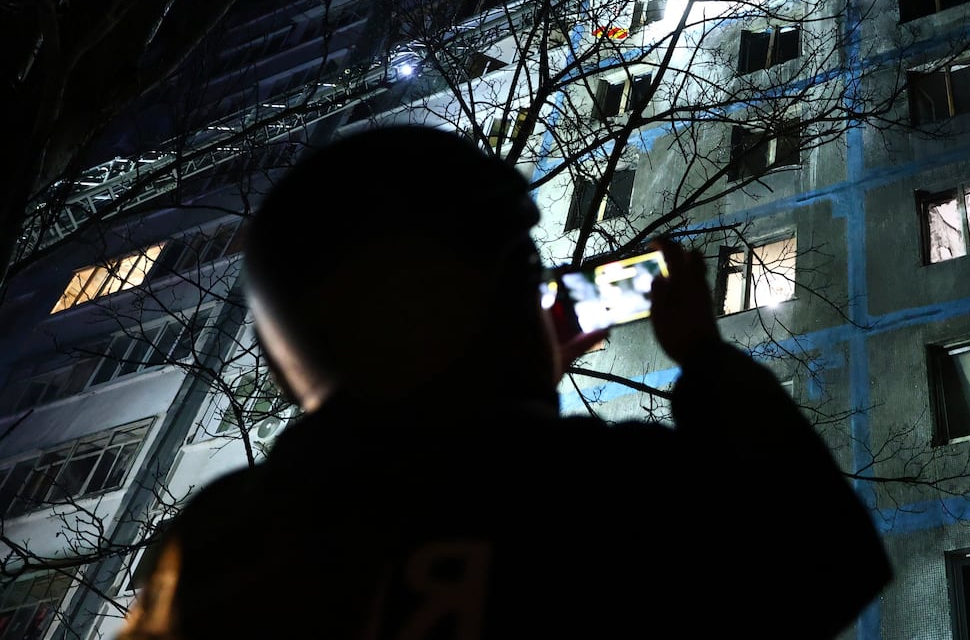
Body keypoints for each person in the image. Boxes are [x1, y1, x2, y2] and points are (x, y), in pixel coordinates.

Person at [121, 126, 891, 639]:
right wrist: (701, 355)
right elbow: (828, 557)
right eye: (522, 277)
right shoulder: (593, 489)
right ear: (460, 303)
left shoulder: (215, 547)